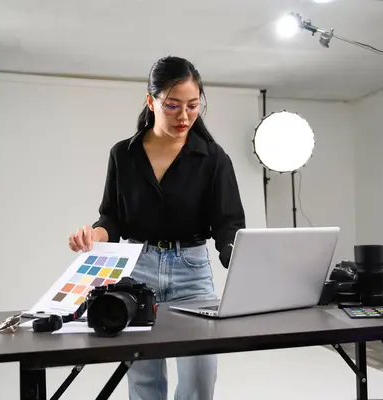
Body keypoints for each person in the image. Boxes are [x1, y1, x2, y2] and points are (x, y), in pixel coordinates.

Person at [68, 55, 246, 400]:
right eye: (172, 105)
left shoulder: (213, 158)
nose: (184, 116)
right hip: (137, 273)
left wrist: (236, 254)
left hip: (192, 274)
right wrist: (95, 235)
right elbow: (112, 219)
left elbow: (228, 225)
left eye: (193, 106)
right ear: (151, 102)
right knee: (145, 383)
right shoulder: (124, 154)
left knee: (198, 384)